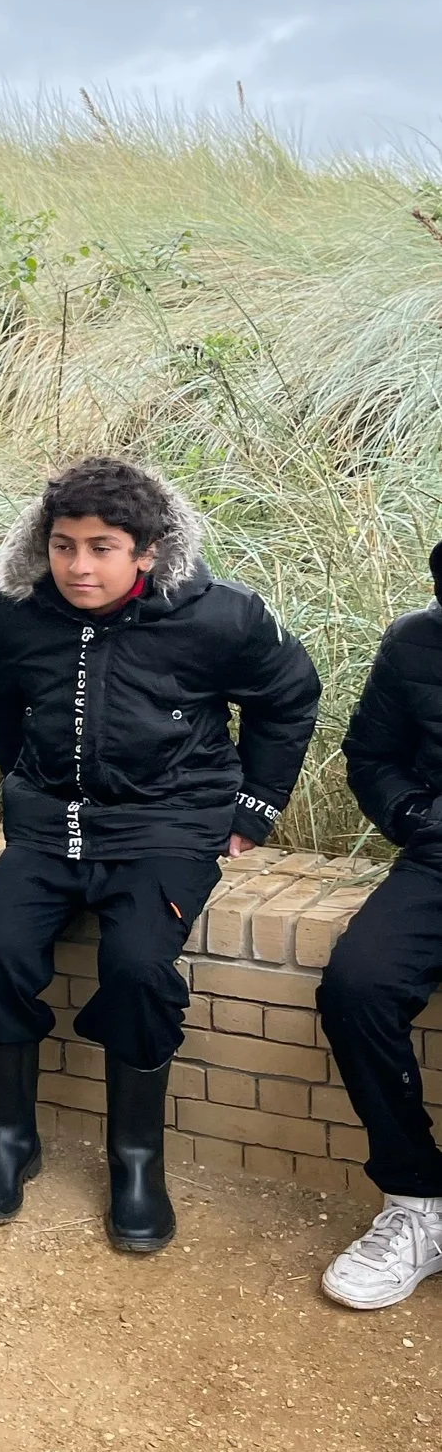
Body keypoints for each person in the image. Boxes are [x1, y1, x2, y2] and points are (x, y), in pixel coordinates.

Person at [0, 456, 320, 1252]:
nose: (77, 566)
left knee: (136, 967)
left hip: (167, 826)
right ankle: (11, 1142)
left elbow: (289, 694)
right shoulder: (12, 609)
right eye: (62, 545)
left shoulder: (220, 616)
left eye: (101, 548)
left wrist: (254, 806)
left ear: (145, 551)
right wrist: (23, 774)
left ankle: (135, 1162)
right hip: (50, 828)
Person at [313, 541, 442, 1308]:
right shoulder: (415, 640)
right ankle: (416, 1200)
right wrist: (419, 818)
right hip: (437, 861)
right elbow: (369, 755)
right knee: (356, 987)